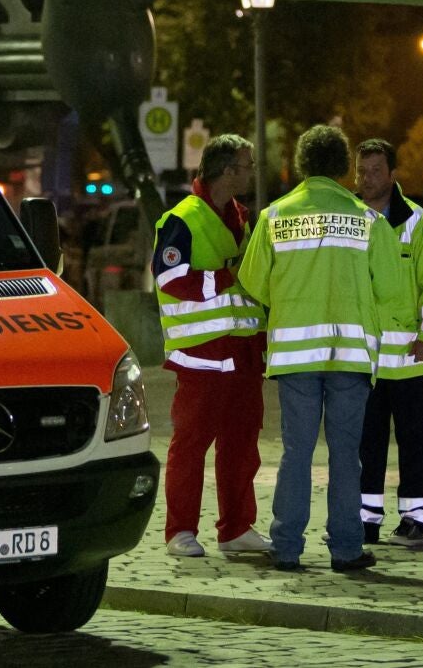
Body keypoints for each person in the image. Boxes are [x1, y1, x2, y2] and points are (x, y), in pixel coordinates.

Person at [238, 125, 404, 573]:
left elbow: (253, 283)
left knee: (297, 452)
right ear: (343, 168)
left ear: (303, 165)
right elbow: (392, 290)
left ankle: (288, 548)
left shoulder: (275, 217)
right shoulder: (368, 220)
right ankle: (347, 548)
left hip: (294, 358)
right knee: (346, 454)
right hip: (350, 356)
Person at [152, 134, 269, 557]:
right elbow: (169, 278)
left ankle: (236, 528)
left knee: (242, 446)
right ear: (227, 172)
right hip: (200, 354)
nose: (252, 172)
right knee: (191, 445)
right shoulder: (181, 219)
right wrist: (226, 275)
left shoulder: (242, 216)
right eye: (247, 165)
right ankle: (179, 531)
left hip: (241, 353)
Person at [352, 139, 423, 548]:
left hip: (410, 357)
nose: (366, 178)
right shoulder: (350, 220)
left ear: (393, 175)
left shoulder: (421, 224)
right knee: (365, 444)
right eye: (361, 171)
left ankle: (416, 521)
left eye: (375, 170)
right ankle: (365, 521)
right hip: (365, 360)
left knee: (415, 443)